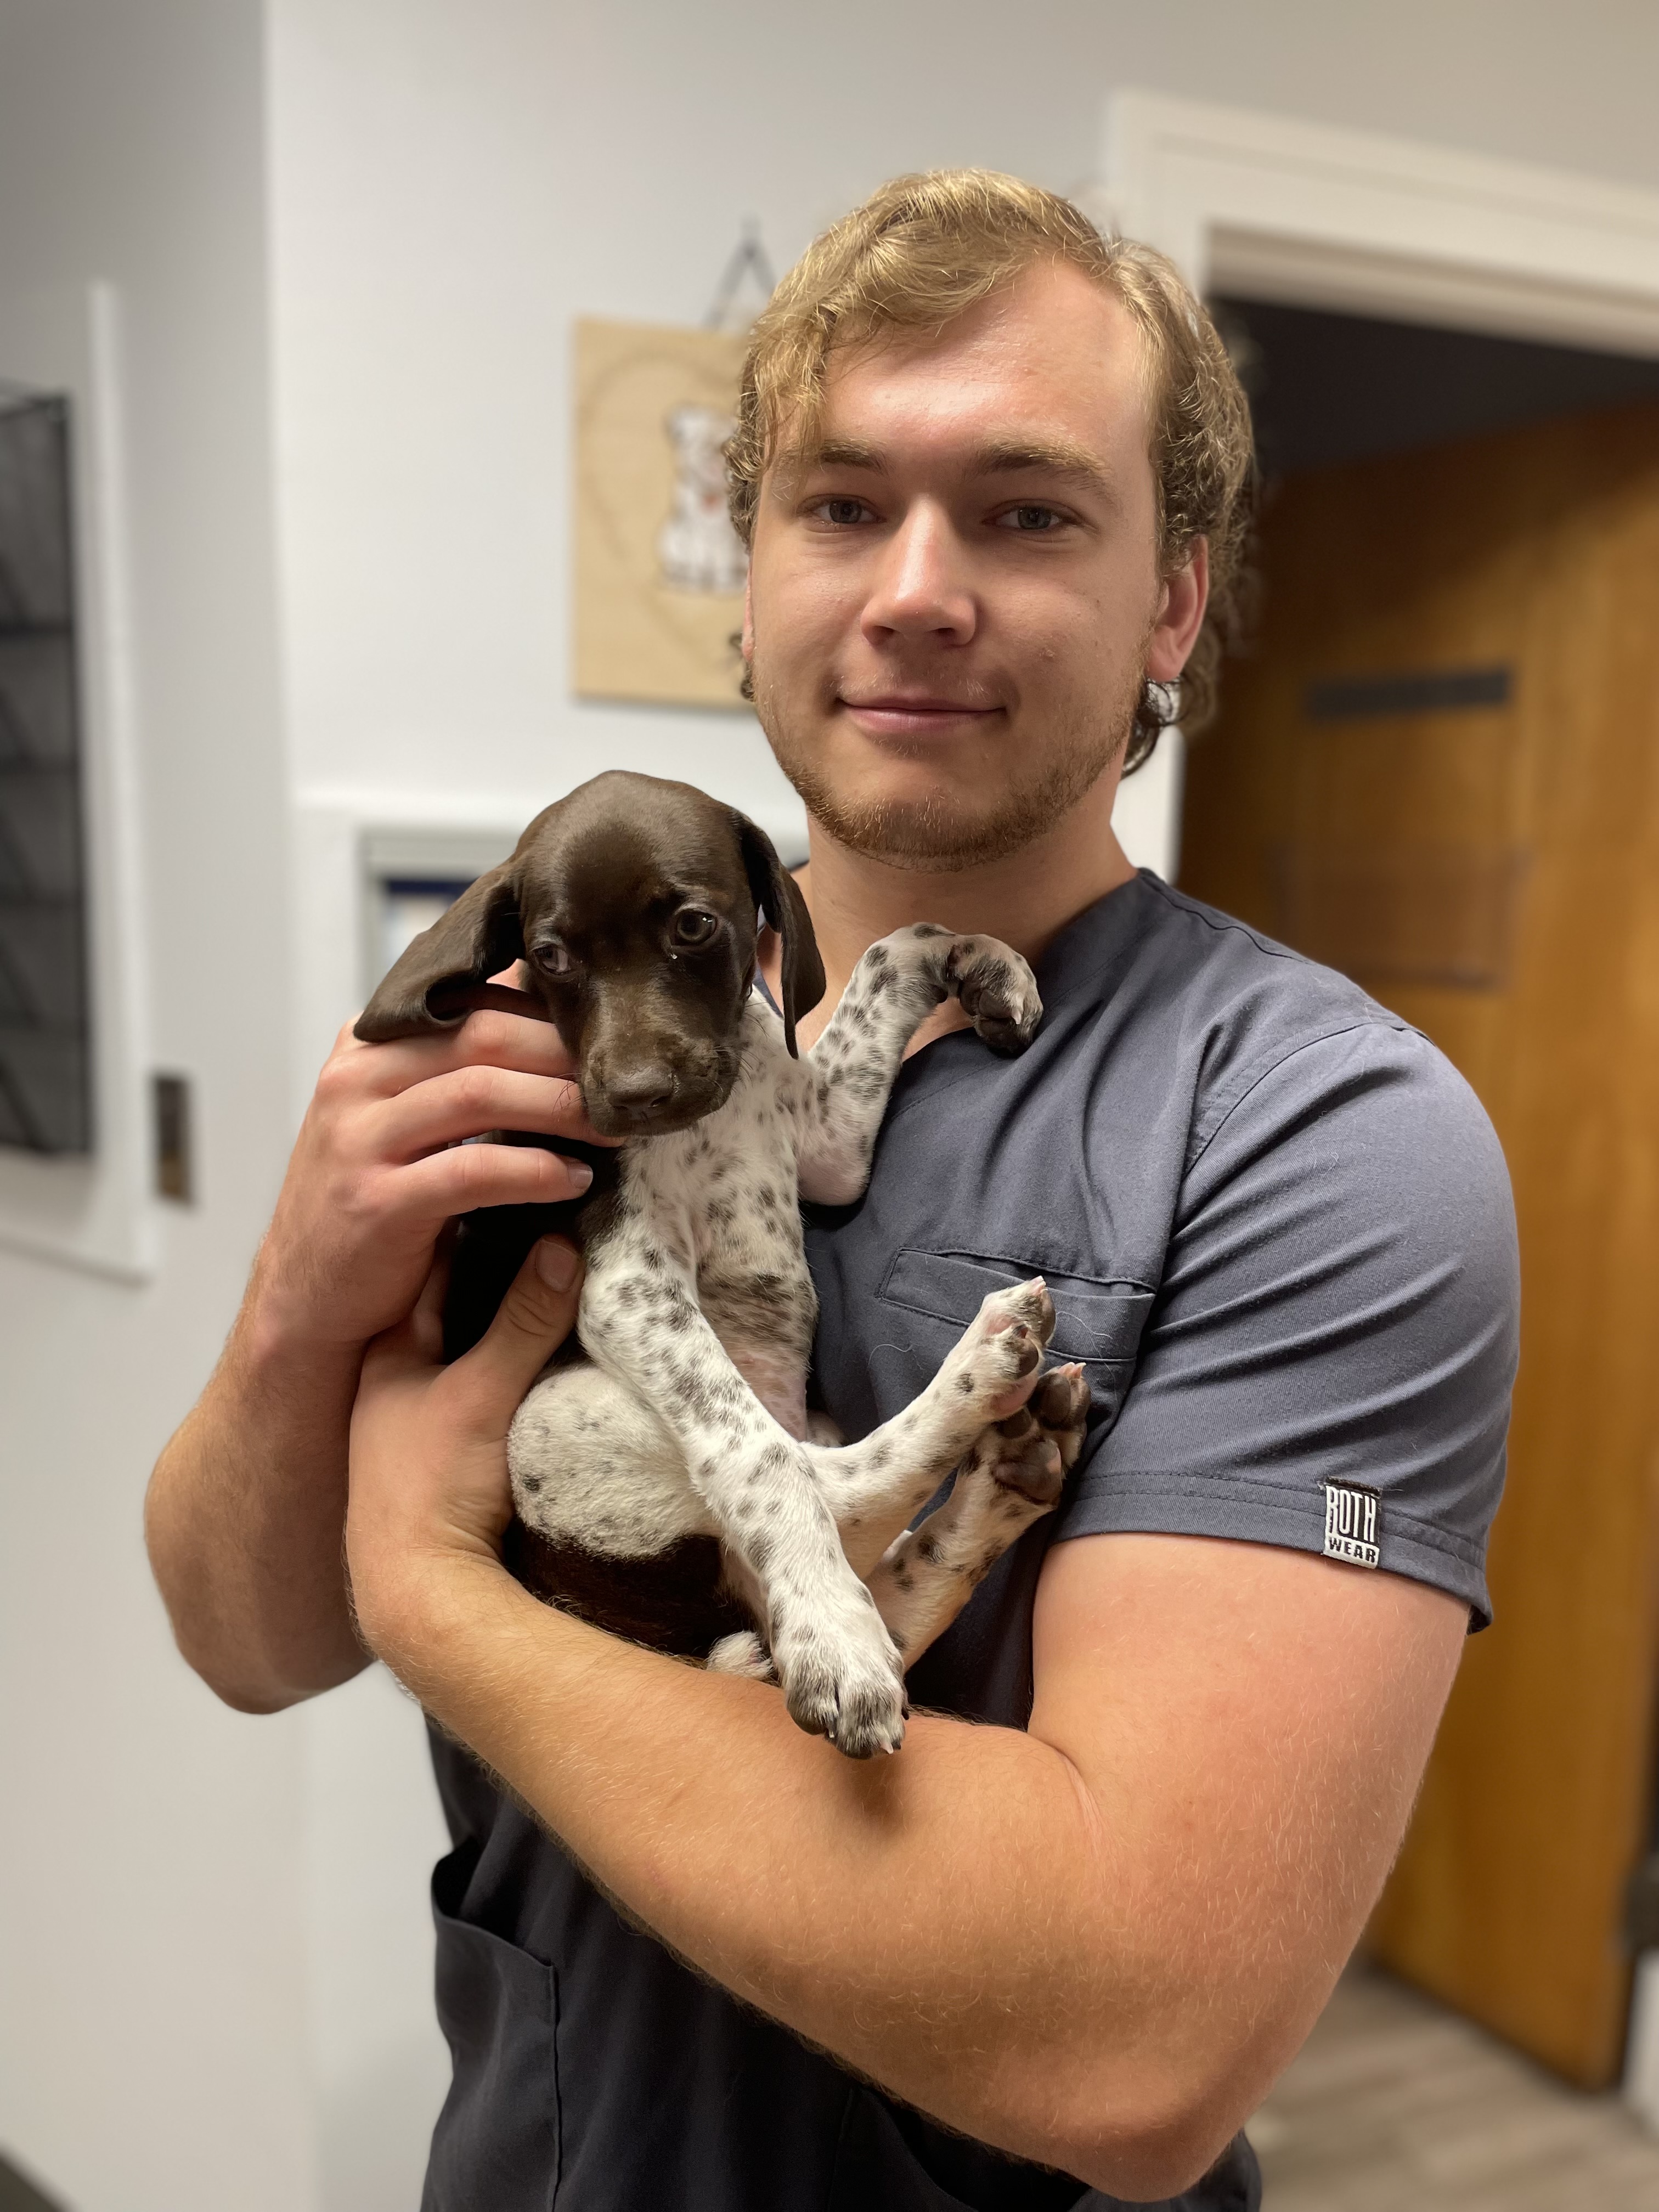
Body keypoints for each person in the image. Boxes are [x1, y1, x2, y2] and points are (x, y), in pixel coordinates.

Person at [145, 171, 1518, 2211]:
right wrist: (293, 1302)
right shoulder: (519, 1029)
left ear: (1175, 601)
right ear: (756, 566)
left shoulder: (1320, 1135)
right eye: (841, 502)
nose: (914, 588)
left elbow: (1133, 2036)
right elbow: (245, 1639)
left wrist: (436, 1597)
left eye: (1030, 509)